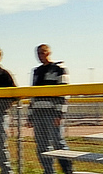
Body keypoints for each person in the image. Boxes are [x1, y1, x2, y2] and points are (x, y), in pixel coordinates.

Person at [29, 45, 73, 174]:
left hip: (52, 113)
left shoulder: (59, 69)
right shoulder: (36, 71)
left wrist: (60, 114)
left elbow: (64, 92)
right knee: (42, 145)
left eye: (43, 53)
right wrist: (30, 115)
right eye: (38, 53)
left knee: (58, 143)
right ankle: (48, 171)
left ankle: (68, 170)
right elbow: (33, 94)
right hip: (38, 113)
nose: (41, 55)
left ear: (49, 53)